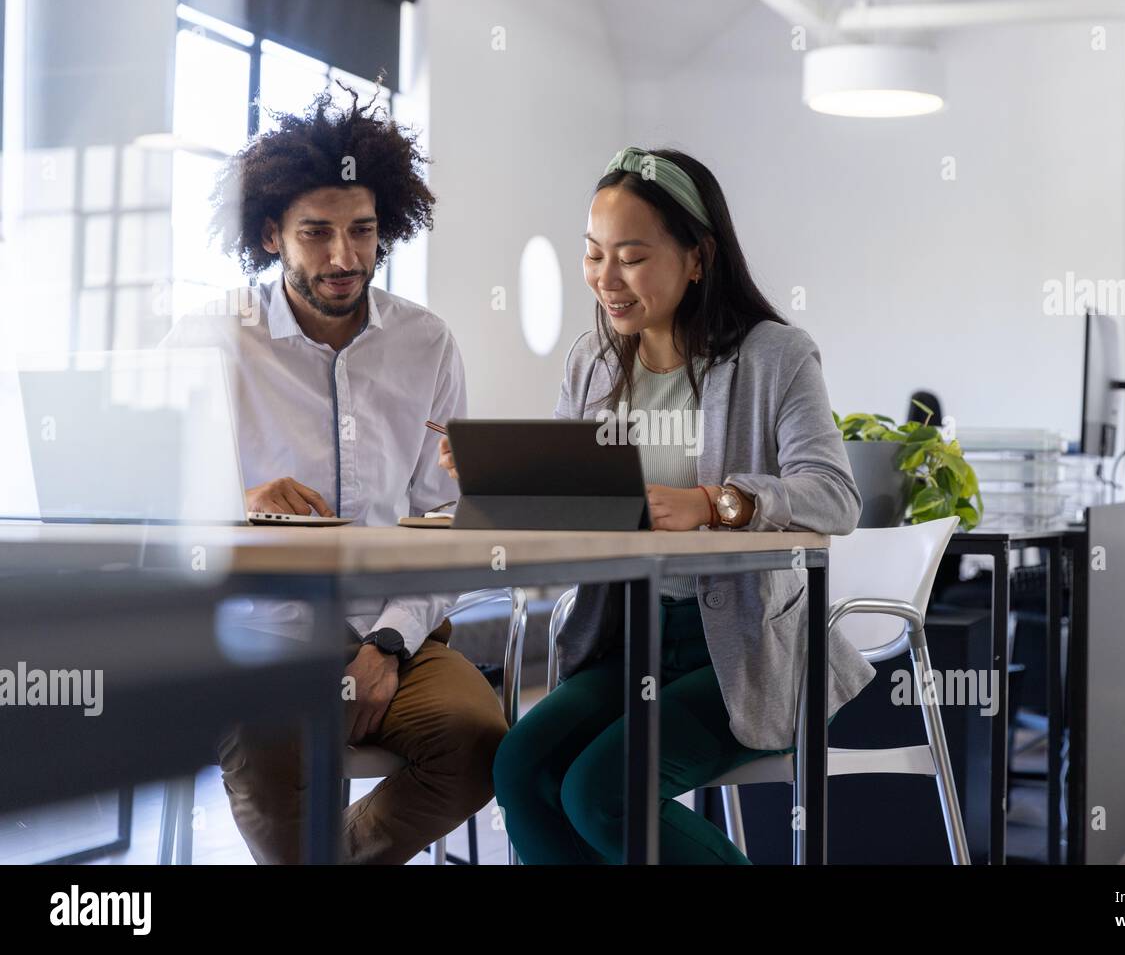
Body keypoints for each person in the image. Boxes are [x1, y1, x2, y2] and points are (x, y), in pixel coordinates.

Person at [443, 146, 871, 863]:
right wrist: (503, 479)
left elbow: (835, 495)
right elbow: (572, 501)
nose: (605, 279)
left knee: (600, 792)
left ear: (698, 257)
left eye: (632, 258)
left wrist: (717, 501)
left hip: (744, 654)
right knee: (520, 767)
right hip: (628, 640)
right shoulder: (592, 362)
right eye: (593, 255)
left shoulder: (776, 357)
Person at [162, 86, 507, 864]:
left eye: (362, 231)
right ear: (270, 234)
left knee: (479, 742)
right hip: (258, 641)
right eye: (316, 233)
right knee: (269, 765)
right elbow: (143, 502)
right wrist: (233, 501)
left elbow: (446, 521)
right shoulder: (212, 338)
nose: (344, 258)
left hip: (395, 630)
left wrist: (387, 643)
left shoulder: (427, 344)